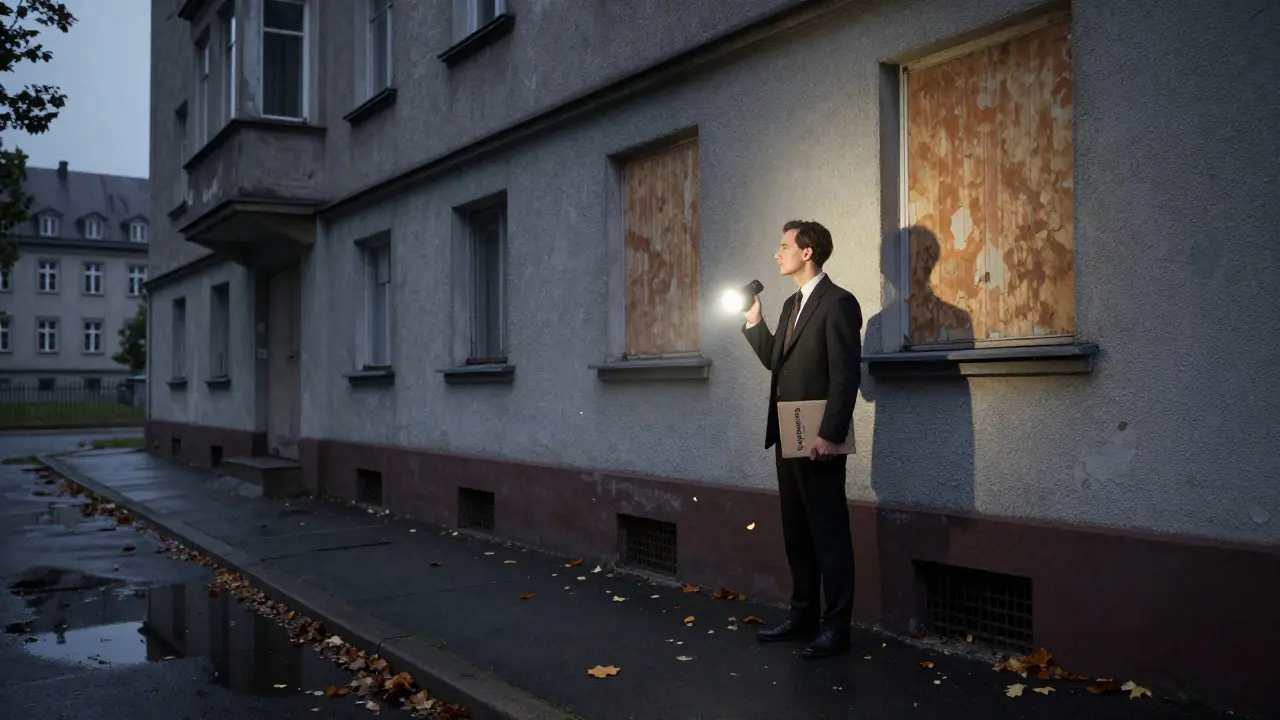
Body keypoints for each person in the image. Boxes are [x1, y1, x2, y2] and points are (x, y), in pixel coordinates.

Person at [741, 219, 862, 659]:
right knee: (797, 532)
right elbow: (779, 363)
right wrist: (755, 323)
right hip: (788, 435)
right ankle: (803, 617)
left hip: (819, 441)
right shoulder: (792, 303)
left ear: (807, 252)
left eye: (784, 245)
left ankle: (836, 628)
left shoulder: (839, 303)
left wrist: (830, 434)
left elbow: (847, 375)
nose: (778, 253)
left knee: (829, 534)